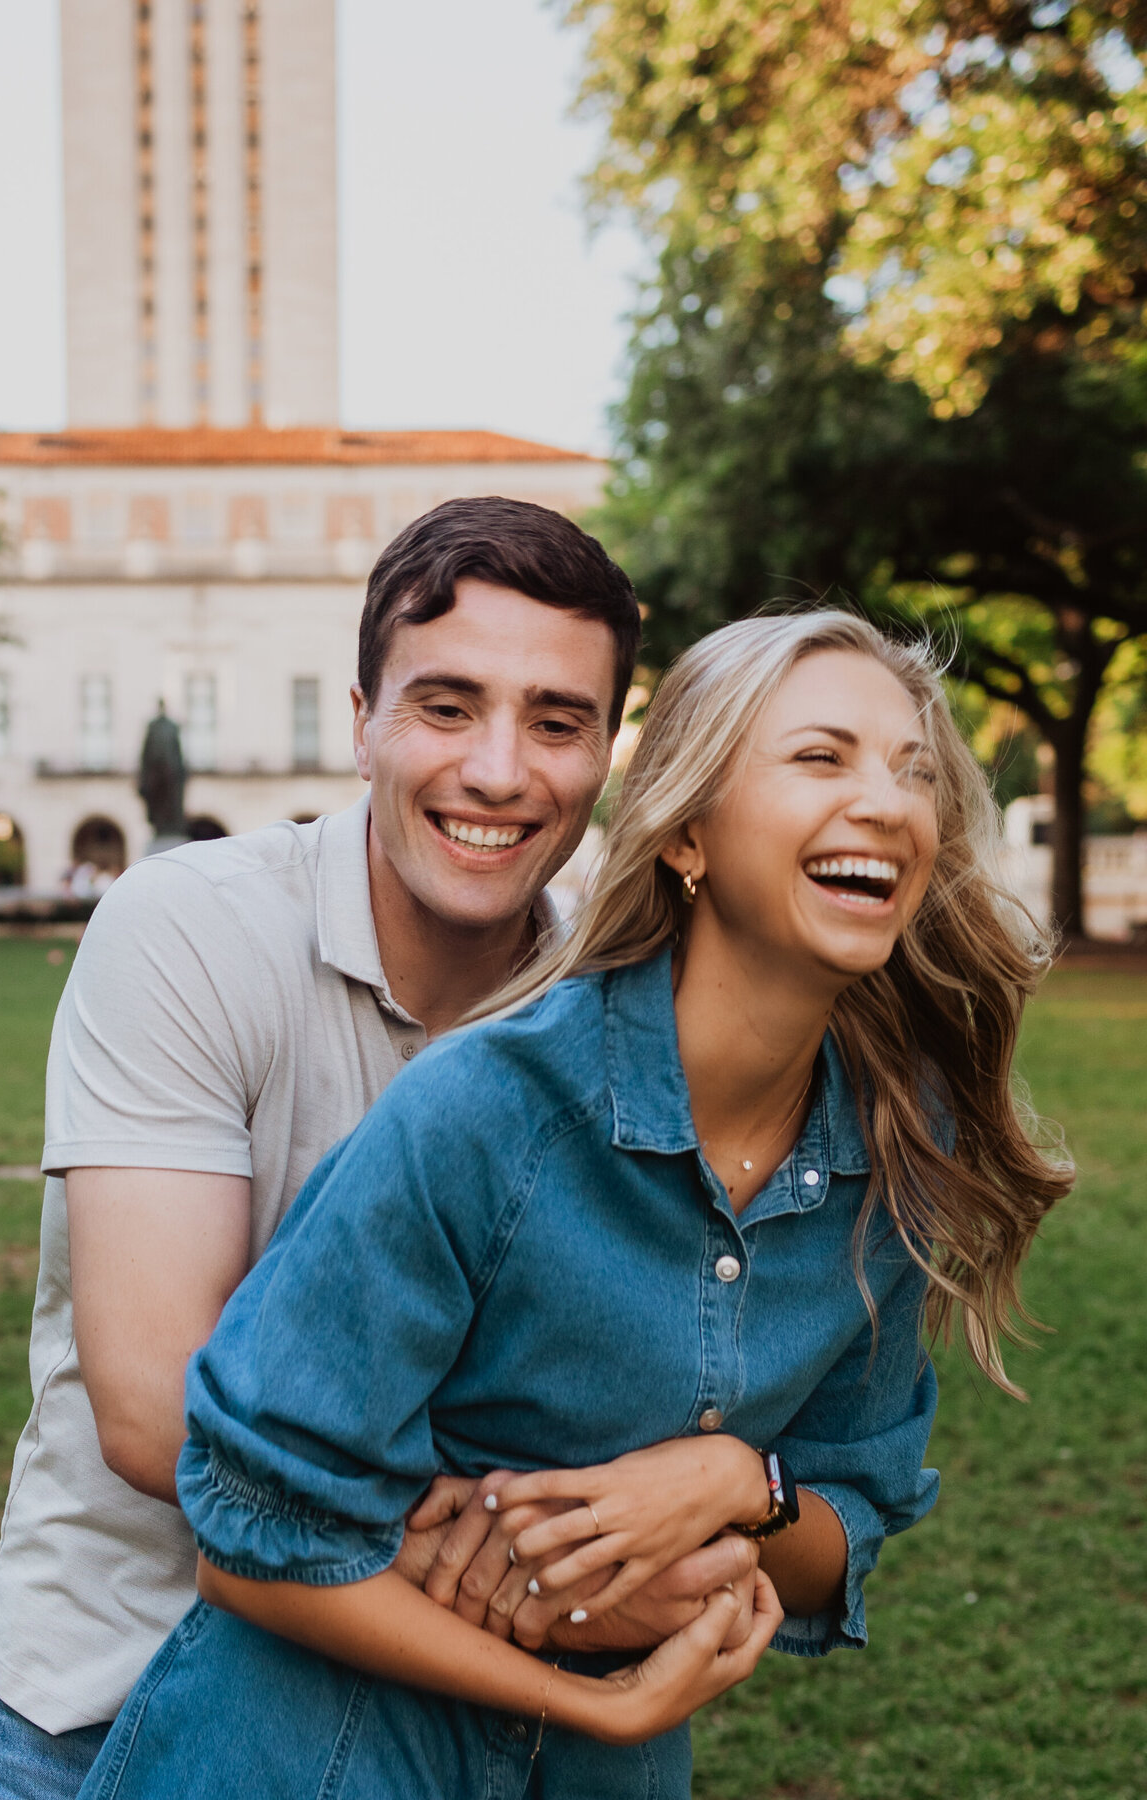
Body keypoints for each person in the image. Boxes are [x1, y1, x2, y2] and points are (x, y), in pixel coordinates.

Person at [75, 611, 1071, 1799]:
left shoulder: (901, 1145)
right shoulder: (487, 1112)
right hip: (312, 1759)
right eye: (823, 757)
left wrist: (732, 1484)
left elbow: (844, 1517)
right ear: (690, 829)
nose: (889, 802)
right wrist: (589, 1694)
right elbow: (252, 1537)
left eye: (913, 772)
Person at [0, 498, 760, 1800]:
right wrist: (536, 1549)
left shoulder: (619, 996)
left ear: (607, 753)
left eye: (556, 721)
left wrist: (736, 1473)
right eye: (446, 707)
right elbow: (151, 1404)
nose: (500, 771)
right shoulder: (188, 928)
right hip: (121, 1713)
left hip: (460, 1733)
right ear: (360, 723)